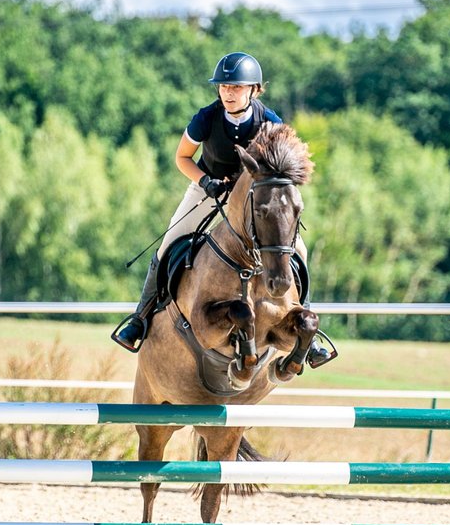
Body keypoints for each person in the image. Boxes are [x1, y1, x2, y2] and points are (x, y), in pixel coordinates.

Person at [112, 52, 329, 368]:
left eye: (236, 88)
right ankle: (140, 318)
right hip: (206, 189)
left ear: (253, 90)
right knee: (169, 242)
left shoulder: (270, 121)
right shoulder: (206, 118)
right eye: (224, 87)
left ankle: (307, 335)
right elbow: (182, 158)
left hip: (253, 197)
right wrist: (205, 180)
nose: (228, 93)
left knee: (299, 249)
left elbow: (284, 170)